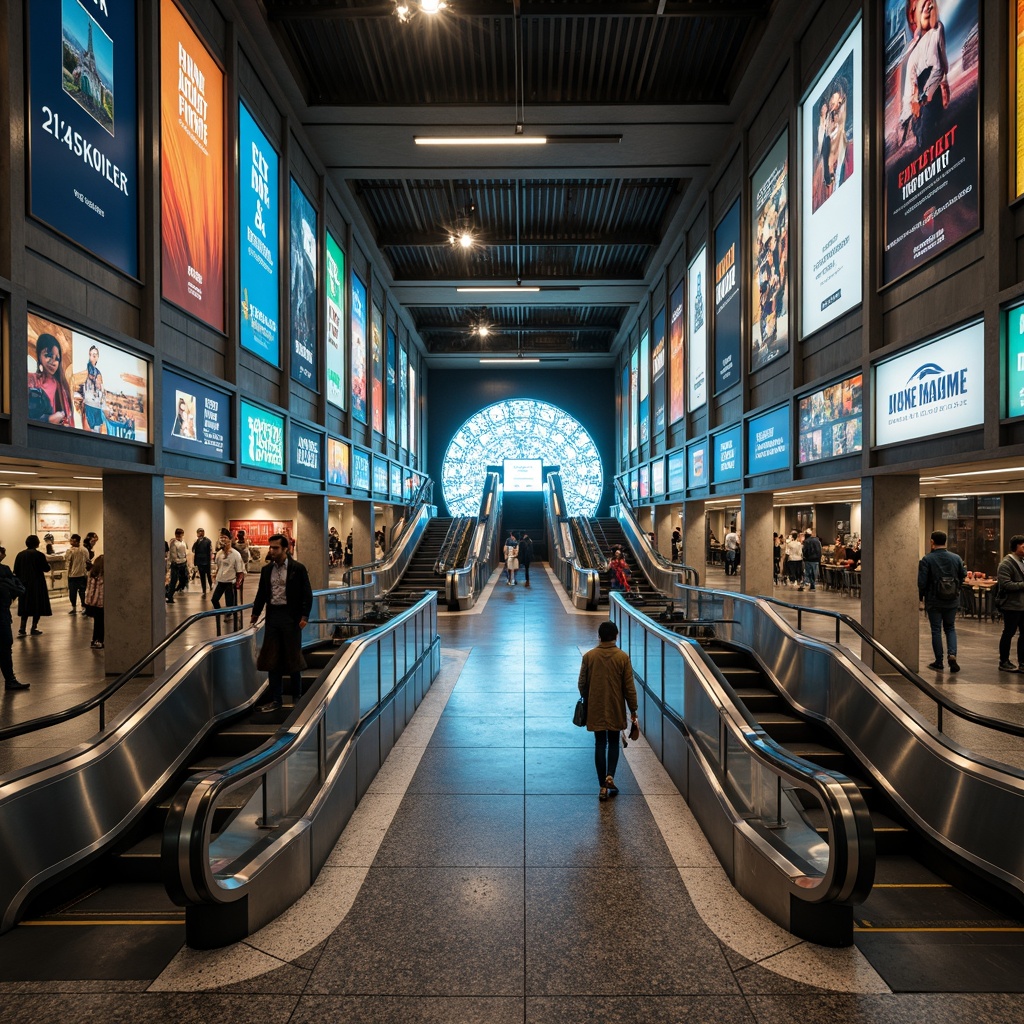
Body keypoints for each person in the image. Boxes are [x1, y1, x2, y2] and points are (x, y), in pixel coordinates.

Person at [250, 534, 313, 714]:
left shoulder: (297, 569)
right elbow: (262, 593)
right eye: (271, 547)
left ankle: (297, 697)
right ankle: (276, 699)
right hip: (273, 617)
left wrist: (304, 616)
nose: (272, 551)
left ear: (285, 549)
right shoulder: (266, 570)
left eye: (275, 548)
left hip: (291, 618)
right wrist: (255, 613)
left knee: (293, 657)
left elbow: (306, 594)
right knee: (272, 659)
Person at [578, 620, 638, 801]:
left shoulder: (589, 657)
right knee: (613, 742)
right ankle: (610, 775)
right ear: (616, 636)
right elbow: (629, 687)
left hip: (596, 706)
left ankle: (602, 786)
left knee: (599, 743)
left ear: (599, 637)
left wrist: (589, 696)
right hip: (615, 706)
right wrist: (633, 709)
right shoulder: (622, 657)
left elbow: (581, 684)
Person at [901, 0, 949, 152]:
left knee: (929, 139)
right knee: (923, 140)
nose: (927, 8)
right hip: (919, 101)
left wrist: (923, 98)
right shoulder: (912, 48)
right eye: (921, 7)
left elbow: (939, 67)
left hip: (929, 96)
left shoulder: (936, 30)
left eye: (929, 5)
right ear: (912, 15)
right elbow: (910, 83)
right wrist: (909, 112)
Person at [918, 530, 965, 673]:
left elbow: (922, 582)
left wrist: (922, 596)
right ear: (946, 542)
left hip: (934, 600)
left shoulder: (927, 560)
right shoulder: (956, 558)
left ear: (932, 542)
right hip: (952, 600)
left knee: (936, 630)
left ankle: (939, 661)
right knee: (950, 628)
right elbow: (962, 576)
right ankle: (952, 655)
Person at [28, 333, 75, 427]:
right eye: (48, 355)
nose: (53, 362)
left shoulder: (62, 388)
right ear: (39, 355)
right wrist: (49, 420)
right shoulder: (31, 379)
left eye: (57, 358)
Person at [0, 544, 29, 690]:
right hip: (1, 613)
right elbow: (18, 587)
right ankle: (10, 680)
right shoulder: (3, 570)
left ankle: (10, 680)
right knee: (5, 646)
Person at [996, 535, 1024, 672]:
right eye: (1023, 546)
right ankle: (1004, 661)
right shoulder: (1006, 563)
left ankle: (1023, 662)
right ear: (1015, 547)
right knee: (1009, 632)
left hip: (1023, 605)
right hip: (1011, 605)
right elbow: (1006, 584)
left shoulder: (1022, 561)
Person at [14, 535, 52, 636]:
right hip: (37, 584)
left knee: (25, 606)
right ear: (36, 543)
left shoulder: (20, 555)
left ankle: (22, 628)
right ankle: (33, 627)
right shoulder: (39, 555)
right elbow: (46, 568)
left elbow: (16, 571)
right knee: (37, 606)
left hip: (24, 584)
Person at [211, 532, 245, 613]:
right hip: (221, 581)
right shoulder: (219, 554)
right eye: (221, 537)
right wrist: (215, 575)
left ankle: (229, 615)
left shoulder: (236, 554)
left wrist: (238, 583)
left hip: (230, 582)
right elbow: (218, 566)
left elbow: (240, 571)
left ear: (230, 540)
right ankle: (219, 613)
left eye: (225, 537)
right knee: (214, 600)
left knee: (230, 603)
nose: (222, 539)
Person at [79, 344, 105, 432]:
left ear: (97, 357)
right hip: (88, 406)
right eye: (90, 355)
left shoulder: (98, 372)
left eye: (94, 355)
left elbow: (101, 389)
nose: (92, 358)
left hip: (97, 408)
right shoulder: (86, 369)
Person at [85, 551, 104, 649]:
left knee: (97, 623)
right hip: (101, 603)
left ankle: (95, 640)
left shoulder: (92, 573)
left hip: (92, 603)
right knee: (101, 623)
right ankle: (99, 640)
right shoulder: (103, 576)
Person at [65, 533, 88, 613]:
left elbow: (67, 562)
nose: (71, 542)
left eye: (73, 541)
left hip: (73, 575)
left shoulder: (70, 551)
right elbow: (87, 561)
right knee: (82, 592)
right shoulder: (84, 550)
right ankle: (83, 607)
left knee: (73, 592)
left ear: (77, 541)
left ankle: (74, 608)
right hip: (82, 575)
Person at [165, 527, 188, 603]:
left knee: (184, 580)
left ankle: (170, 591)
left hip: (183, 563)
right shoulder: (173, 543)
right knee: (174, 581)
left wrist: (184, 560)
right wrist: (178, 561)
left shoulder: (183, 542)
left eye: (180, 534)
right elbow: (173, 555)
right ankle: (170, 596)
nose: (179, 536)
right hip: (176, 564)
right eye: (177, 534)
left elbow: (185, 552)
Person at [192, 528, 213, 597]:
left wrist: (210, 560)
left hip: (206, 561)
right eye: (199, 532)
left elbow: (210, 551)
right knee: (202, 576)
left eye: (202, 532)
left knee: (208, 575)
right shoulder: (197, 541)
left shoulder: (208, 541)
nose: (201, 533)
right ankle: (204, 589)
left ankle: (210, 585)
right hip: (199, 561)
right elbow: (193, 550)